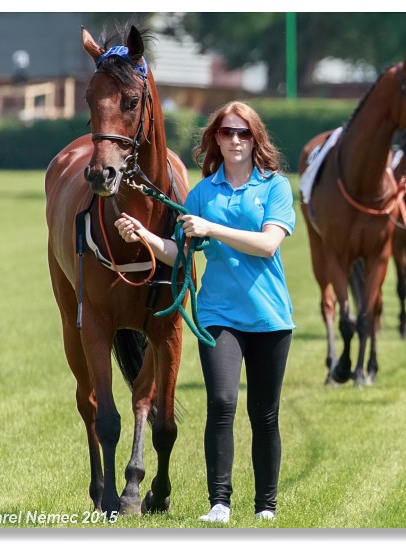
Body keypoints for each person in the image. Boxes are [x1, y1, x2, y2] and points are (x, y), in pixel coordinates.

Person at [114, 101, 296, 524]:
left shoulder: (274, 187)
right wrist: (142, 236)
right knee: (221, 402)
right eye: (227, 132)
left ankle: (266, 506)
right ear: (215, 137)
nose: (234, 139)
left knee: (264, 414)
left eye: (243, 133)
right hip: (218, 315)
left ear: (256, 139)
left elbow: (268, 244)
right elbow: (178, 252)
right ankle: (220, 502)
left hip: (270, 316)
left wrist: (211, 228)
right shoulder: (201, 193)